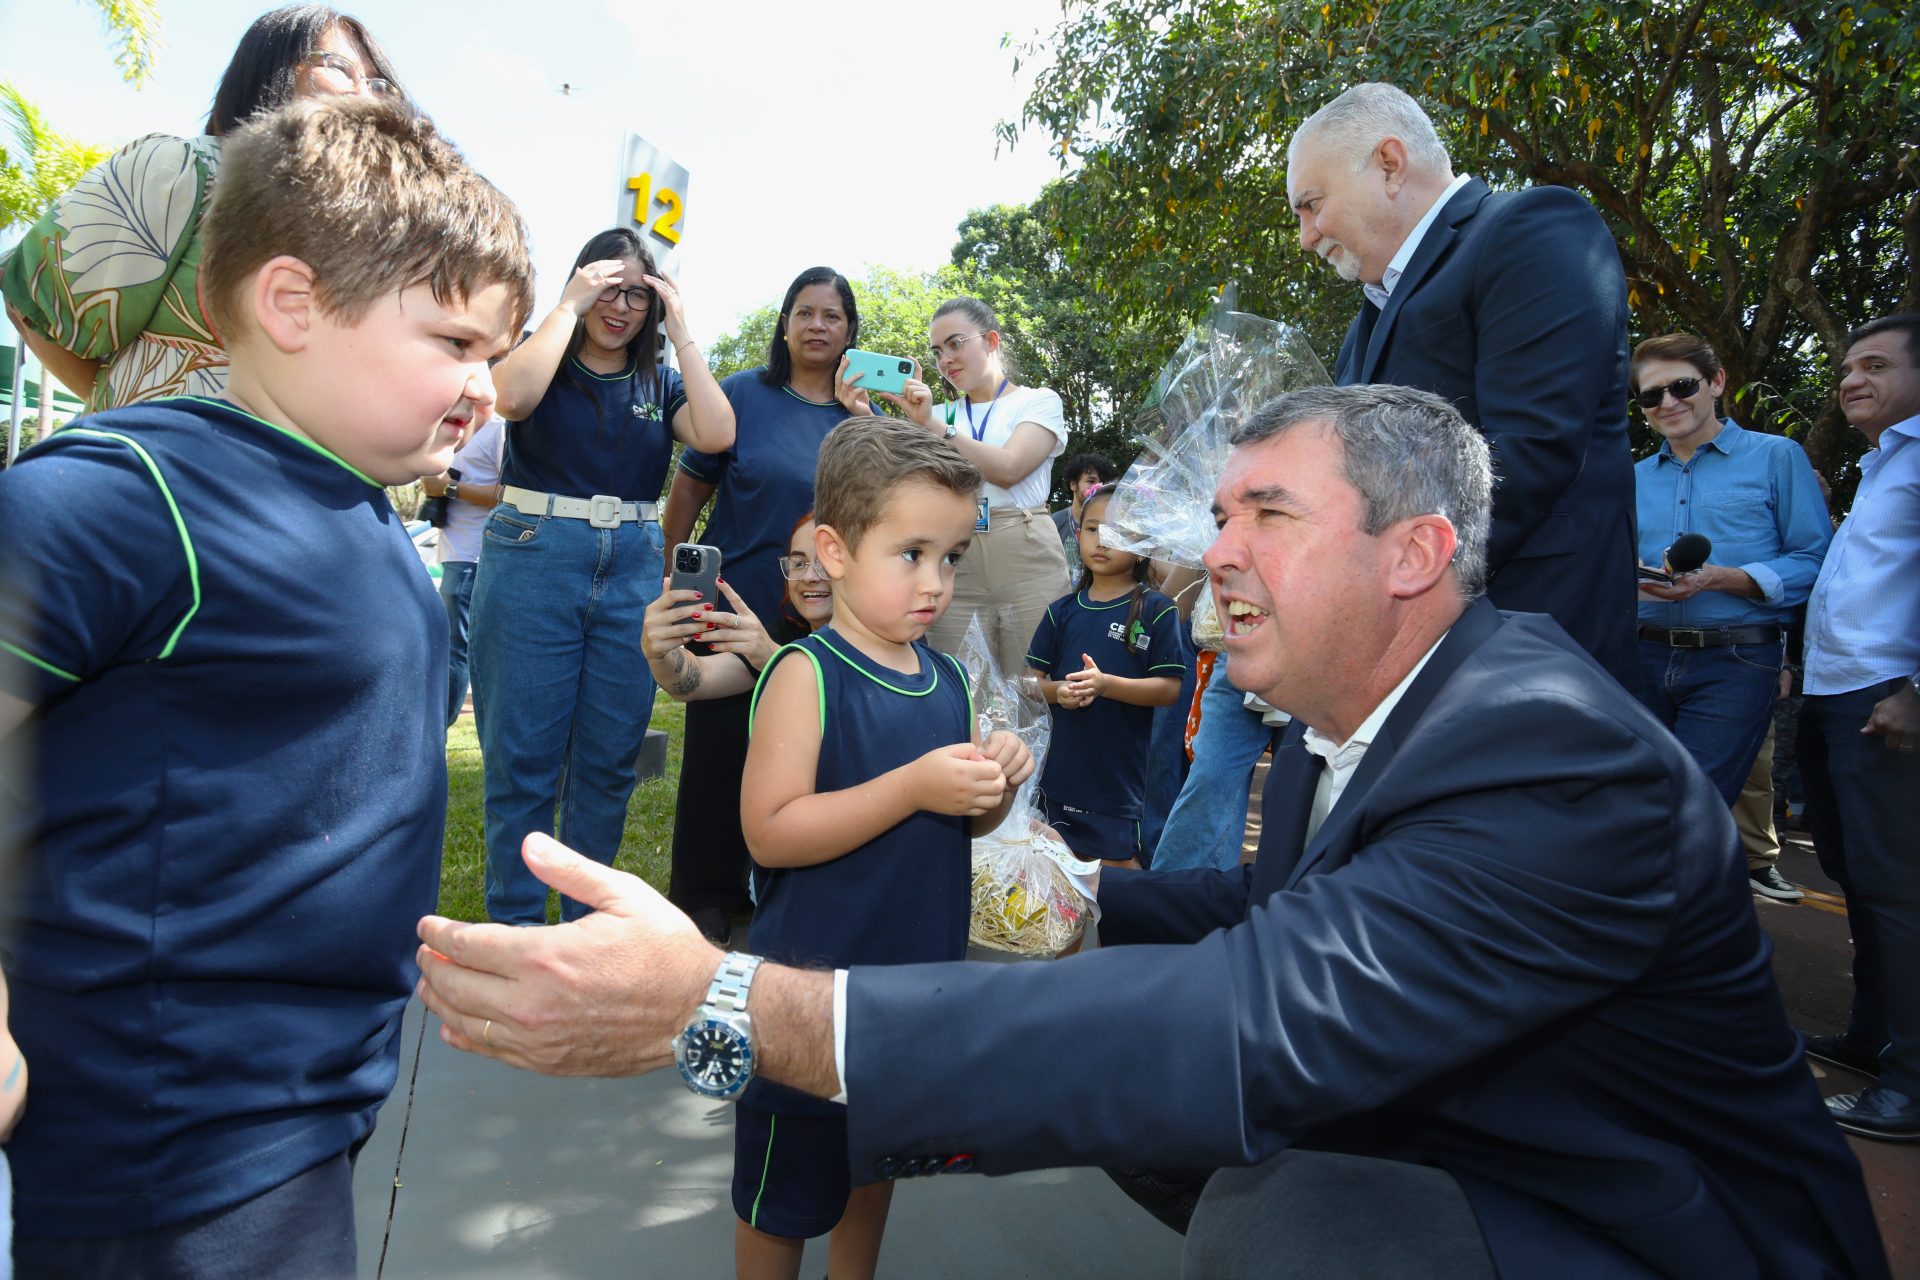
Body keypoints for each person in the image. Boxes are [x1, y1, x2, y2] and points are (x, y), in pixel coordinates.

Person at [416, 383, 1887, 1280]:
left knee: (1281, 1220)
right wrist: (1080, 895)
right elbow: (1273, 907)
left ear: (1415, 555)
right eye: (1219, 513)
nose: (1212, 548)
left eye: (1265, 516)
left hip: (1652, 1233)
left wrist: (729, 1002)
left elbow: (1250, 1022)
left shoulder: (1546, 754)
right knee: (1213, 1159)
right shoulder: (1376, 722)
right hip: (1475, 1131)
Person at [0, 97, 530, 1275]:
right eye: (453, 342)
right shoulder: (130, 495)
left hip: (300, 1115)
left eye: (494, 352)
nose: (487, 386)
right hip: (165, 1143)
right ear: (291, 303)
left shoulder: (360, 502)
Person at [733, 418, 1032, 1280]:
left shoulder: (945, 680)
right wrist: (911, 787)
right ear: (832, 549)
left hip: (911, 994)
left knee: (876, 1169)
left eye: (952, 557)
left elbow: (958, 825)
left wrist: (991, 787)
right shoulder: (807, 673)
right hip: (811, 1000)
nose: (935, 582)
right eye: (911, 554)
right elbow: (771, 830)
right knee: (783, 1191)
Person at [1291, 82, 1639, 687]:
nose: (1307, 237)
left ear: (1390, 165)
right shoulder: (1366, 323)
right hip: (1416, 659)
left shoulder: (1531, 228)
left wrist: (1368, 576)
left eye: (1312, 204)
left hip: (1527, 651)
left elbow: (1530, 452)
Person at [467, 228, 732, 926]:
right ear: (581, 285)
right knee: (522, 762)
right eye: (606, 290)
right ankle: (517, 937)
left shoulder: (660, 380)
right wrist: (565, 306)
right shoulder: (544, 356)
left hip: (635, 562)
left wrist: (682, 331)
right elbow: (509, 399)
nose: (620, 308)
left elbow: (716, 432)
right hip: (534, 551)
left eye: (637, 297)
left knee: (609, 765)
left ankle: (584, 935)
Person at [1, 4, 406, 413]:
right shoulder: (182, 169)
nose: (364, 92)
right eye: (340, 67)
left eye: (379, 84)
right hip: (161, 467)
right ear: (271, 65)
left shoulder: (383, 230)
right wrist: (141, 419)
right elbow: (34, 306)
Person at [660, 267, 872, 944]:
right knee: (721, 747)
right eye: (804, 312)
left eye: (832, 316)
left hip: (820, 608)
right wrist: (672, 568)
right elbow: (688, 496)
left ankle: (783, 881)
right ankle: (706, 894)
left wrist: (867, 421)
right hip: (735, 598)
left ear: (850, 332)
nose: (817, 326)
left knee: (803, 748)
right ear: (784, 323)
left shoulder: (859, 416)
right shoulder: (743, 394)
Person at [1630, 333, 1831, 901]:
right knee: (1639, 803)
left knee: (1687, 808)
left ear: (1716, 383)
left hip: (1737, 659)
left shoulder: (1777, 458)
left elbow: (1814, 559)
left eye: (1682, 386)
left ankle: (1676, 955)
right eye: (1651, 397)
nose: (1667, 403)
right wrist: (1636, 578)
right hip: (1642, 654)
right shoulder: (1633, 478)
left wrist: (1729, 577)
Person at [1795, 313, 1920, 1142]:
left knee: (1898, 889)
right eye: (1845, 368)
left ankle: (1911, 1086)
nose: (1850, 380)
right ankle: (1873, 1040)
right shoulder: (1884, 467)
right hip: (1834, 695)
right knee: (1860, 881)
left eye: (1874, 365)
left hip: (1887, 700)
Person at [881, 297, 1072, 676]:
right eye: (937, 352)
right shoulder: (933, 415)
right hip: (954, 556)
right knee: (962, 684)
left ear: (991, 341)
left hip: (1026, 550)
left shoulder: (1037, 401)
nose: (945, 360)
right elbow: (893, 478)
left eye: (955, 343)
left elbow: (1010, 467)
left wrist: (935, 429)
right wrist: (857, 410)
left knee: (1035, 685)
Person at [1028, 484, 1184, 867]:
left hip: (1117, 787)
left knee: (1116, 882)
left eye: (1121, 532)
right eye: (1093, 528)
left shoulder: (1157, 610)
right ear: (1077, 533)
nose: (1102, 540)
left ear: (1144, 544)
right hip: (1057, 781)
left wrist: (1106, 685)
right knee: (1055, 884)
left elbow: (1169, 690)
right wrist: (1057, 691)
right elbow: (1028, 684)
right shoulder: (1061, 611)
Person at [641, 512, 832, 704]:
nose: (809, 577)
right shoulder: (788, 632)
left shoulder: (861, 644)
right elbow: (697, 680)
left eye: (823, 563)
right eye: (798, 563)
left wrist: (774, 658)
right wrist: (660, 655)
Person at [424, 412, 505, 726]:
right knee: (449, 646)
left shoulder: (499, 429)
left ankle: (436, 731)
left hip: (475, 557)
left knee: (455, 649)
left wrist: (450, 489)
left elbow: (512, 493)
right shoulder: (450, 428)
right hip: (453, 553)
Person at [1051, 451, 1118, 583]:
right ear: (1073, 484)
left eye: (1103, 483)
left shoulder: (1115, 525)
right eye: (1091, 481)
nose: (1098, 487)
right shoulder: (1053, 523)